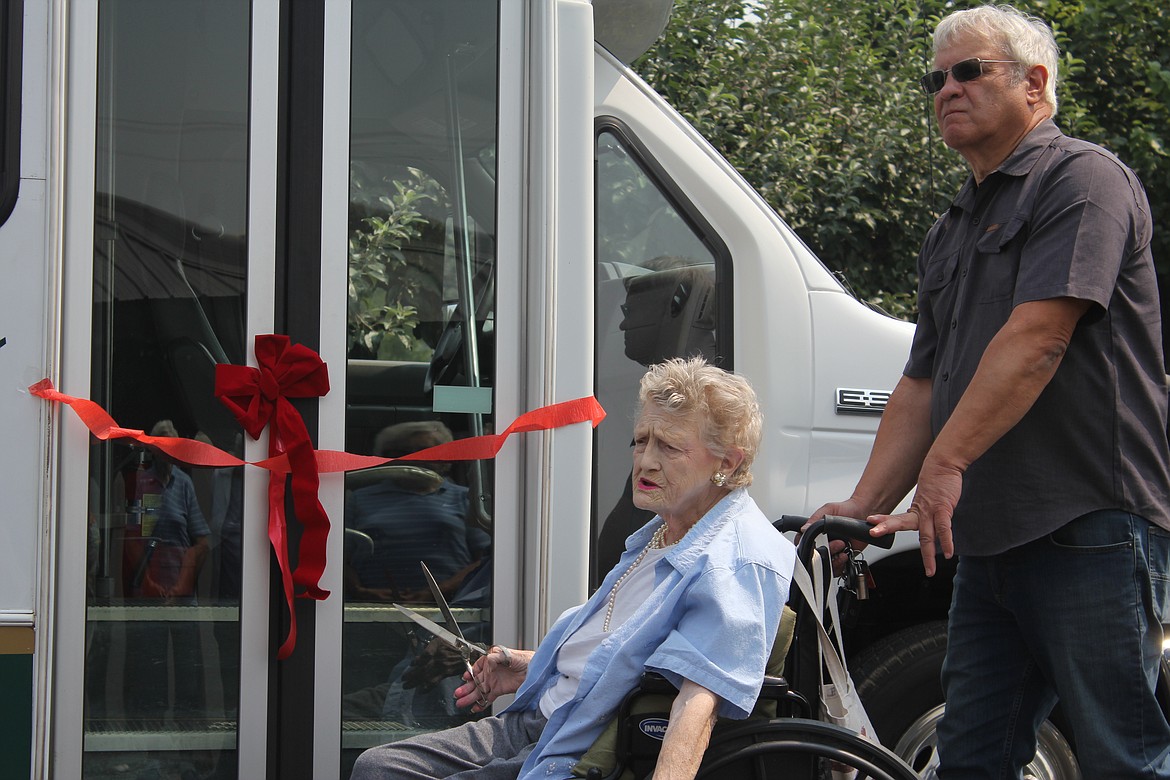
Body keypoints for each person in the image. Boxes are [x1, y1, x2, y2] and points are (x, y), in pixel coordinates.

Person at [813, 5, 1170, 776]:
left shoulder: (1083, 178)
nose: (945, 89)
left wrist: (943, 469)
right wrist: (862, 507)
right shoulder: (950, 229)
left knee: (1123, 757)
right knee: (970, 757)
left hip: (1090, 527)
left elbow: (1039, 338)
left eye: (968, 71)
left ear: (1035, 82)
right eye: (934, 78)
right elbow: (919, 386)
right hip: (988, 545)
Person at [351, 357, 795, 780]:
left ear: (727, 462)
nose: (646, 461)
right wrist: (529, 664)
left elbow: (700, 701)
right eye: (641, 440)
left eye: (670, 446)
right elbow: (618, 655)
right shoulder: (662, 532)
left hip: (577, 749)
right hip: (542, 717)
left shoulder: (737, 558)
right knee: (378, 767)